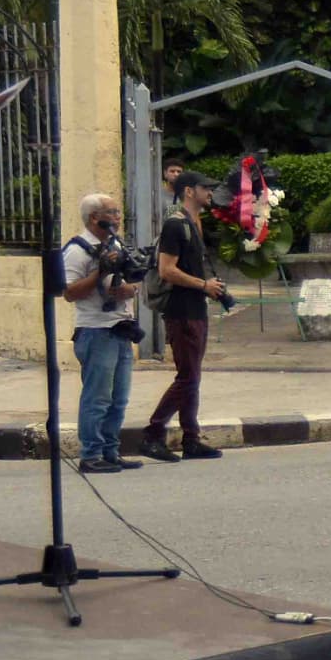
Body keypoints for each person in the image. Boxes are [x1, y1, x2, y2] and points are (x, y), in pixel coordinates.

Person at [142, 171, 227, 463]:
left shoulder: (194, 224)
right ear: (189, 191)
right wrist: (204, 285)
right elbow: (167, 270)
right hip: (181, 311)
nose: (210, 193)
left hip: (196, 309)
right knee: (187, 377)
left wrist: (209, 288)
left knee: (193, 376)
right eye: (206, 188)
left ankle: (191, 437)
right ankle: (153, 433)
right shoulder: (176, 225)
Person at [63, 194, 145, 474]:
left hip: (121, 327)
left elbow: (135, 280)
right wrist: (99, 272)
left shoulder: (116, 244)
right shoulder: (78, 250)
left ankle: (111, 451)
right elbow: (69, 293)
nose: (117, 218)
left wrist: (129, 289)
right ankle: (91, 454)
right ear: (93, 217)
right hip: (96, 330)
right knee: (97, 398)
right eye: (111, 213)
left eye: (118, 212)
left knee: (119, 398)